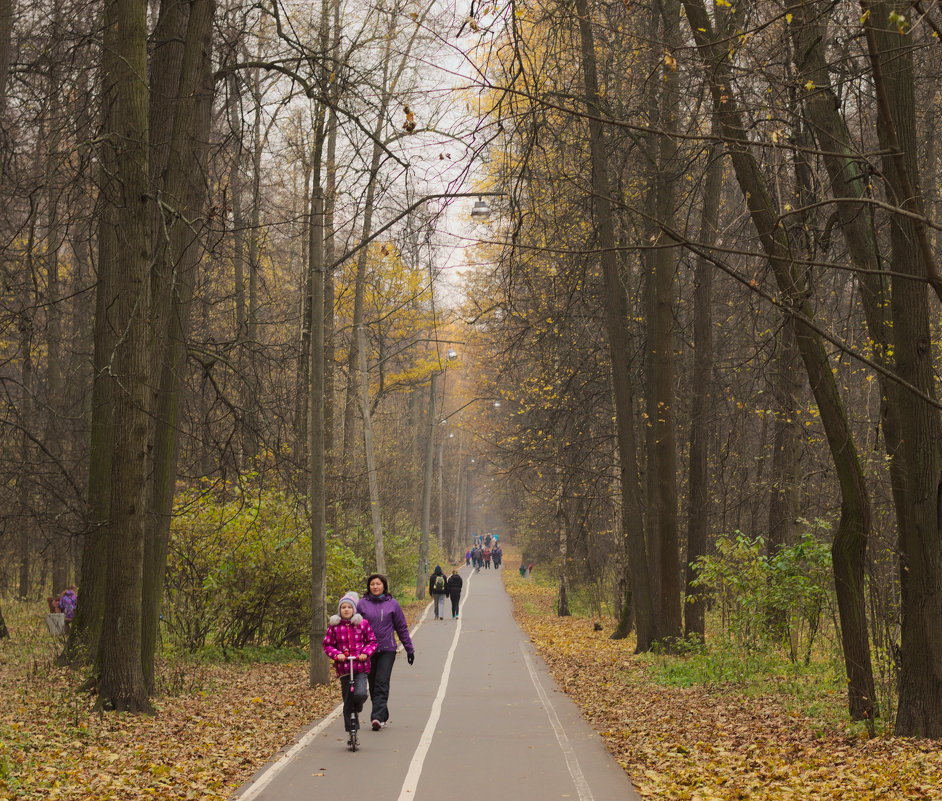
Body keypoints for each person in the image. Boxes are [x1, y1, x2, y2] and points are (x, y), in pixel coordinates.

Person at [357, 574, 415, 730]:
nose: (375, 587)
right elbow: (353, 628)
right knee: (373, 684)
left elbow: (401, 628)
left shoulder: (393, 604)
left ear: (384, 586)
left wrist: (409, 649)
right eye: (372, 584)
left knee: (382, 682)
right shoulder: (361, 605)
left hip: (387, 650)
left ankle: (376, 717)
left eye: (378, 584)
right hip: (367, 651)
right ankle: (382, 713)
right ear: (369, 587)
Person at [323, 592, 377, 743]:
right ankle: (351, 731)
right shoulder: (334, 627)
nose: (346, 610)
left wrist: (365, 653)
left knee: (359, 694)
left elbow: (372, 641)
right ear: (339, 610)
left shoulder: (362, 624)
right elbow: (327, 645)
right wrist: (337, 654)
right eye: (343, 607)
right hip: (344, 668)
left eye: (349, 607)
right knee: (347, 700)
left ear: (354, 609)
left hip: (360, 667)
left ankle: (358, 705)